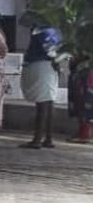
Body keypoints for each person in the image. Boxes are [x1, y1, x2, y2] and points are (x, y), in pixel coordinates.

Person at [19, 13, 62, 149]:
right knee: (48, 102)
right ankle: (48, 138)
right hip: (48, 67)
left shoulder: (42, 31)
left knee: (42, 104)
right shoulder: (53, 31)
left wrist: (55, 60)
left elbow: (49, 49)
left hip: (41, 66)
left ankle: (37, 139)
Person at [68, 53, 93, 144]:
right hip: (80, 69)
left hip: (86, 71)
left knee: (85, 103)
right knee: (78, 103)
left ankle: (85, 133)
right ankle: (82, 131)